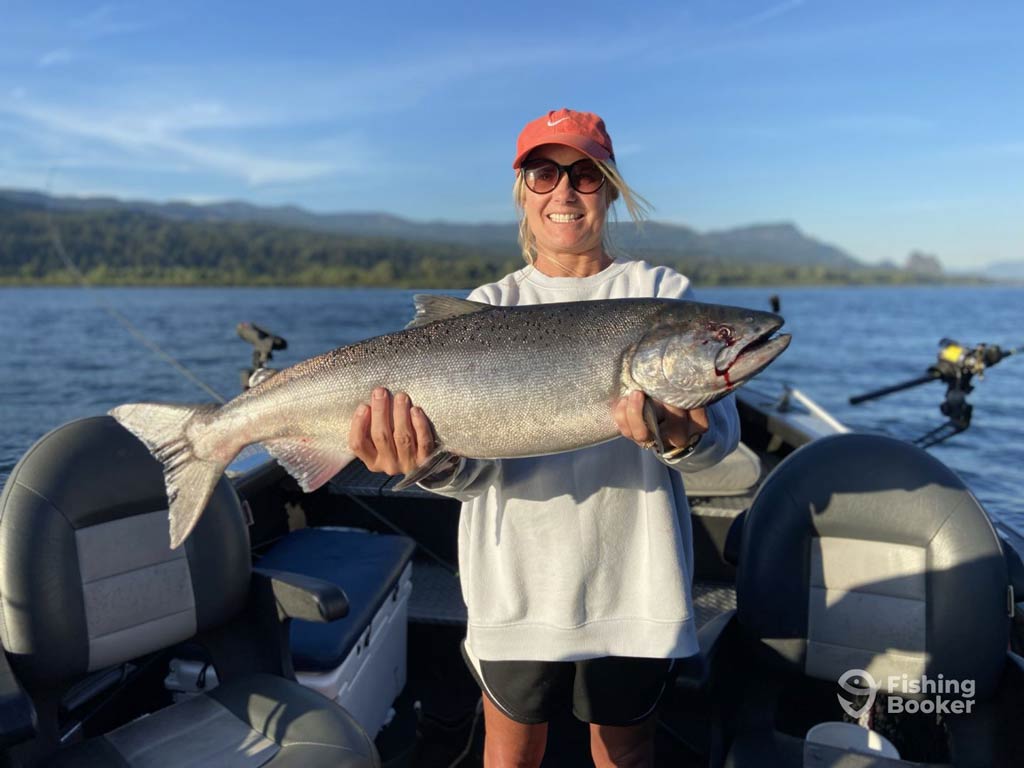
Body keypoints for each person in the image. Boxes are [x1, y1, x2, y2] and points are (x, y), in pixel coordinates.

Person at [348, 108, 739, 767]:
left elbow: (716, 439)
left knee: (626, 749)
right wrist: (428, 464)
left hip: (636, 585)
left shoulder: (659, 293)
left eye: (584, 174)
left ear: (609, 189)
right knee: (511, 749)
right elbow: (474, 474)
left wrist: (677, 438)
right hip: (515, 583)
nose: (564, 190)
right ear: (524, 192)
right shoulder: (487, 306)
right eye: (544, 172)